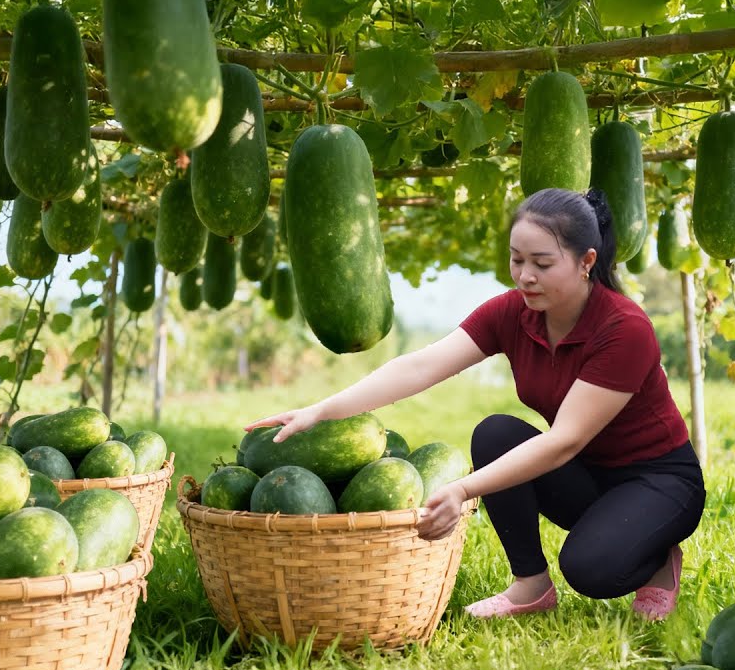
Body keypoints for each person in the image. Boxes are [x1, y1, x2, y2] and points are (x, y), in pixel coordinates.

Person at [246, 187, 705, 621]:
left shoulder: (624, 328)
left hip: (658, 480)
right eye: (517, 259)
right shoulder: (512, 312)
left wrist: (464, 489)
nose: (525, 275)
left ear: (587, 261)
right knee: (496, 434)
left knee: (590, 570)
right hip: (589, 475)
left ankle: (657, 560)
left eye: (542, 263)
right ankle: (531, 586)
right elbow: (420, 367)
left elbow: (564, 441)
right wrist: (320, 411)